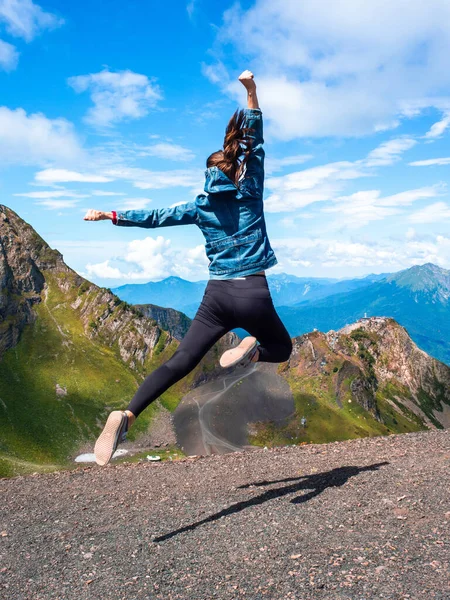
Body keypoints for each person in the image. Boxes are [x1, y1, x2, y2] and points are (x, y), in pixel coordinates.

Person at [84, 70, 292, 466]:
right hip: (252, 292)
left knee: (180, 361)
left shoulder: (200, 206)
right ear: (237, 169)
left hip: (217, 296)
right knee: (281, 348)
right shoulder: (251, 192)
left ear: (208, 175)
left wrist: (111, 215)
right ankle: (250, 354)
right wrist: (251, 91)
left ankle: (127, 415)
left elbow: (156, 216)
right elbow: (255, 140)